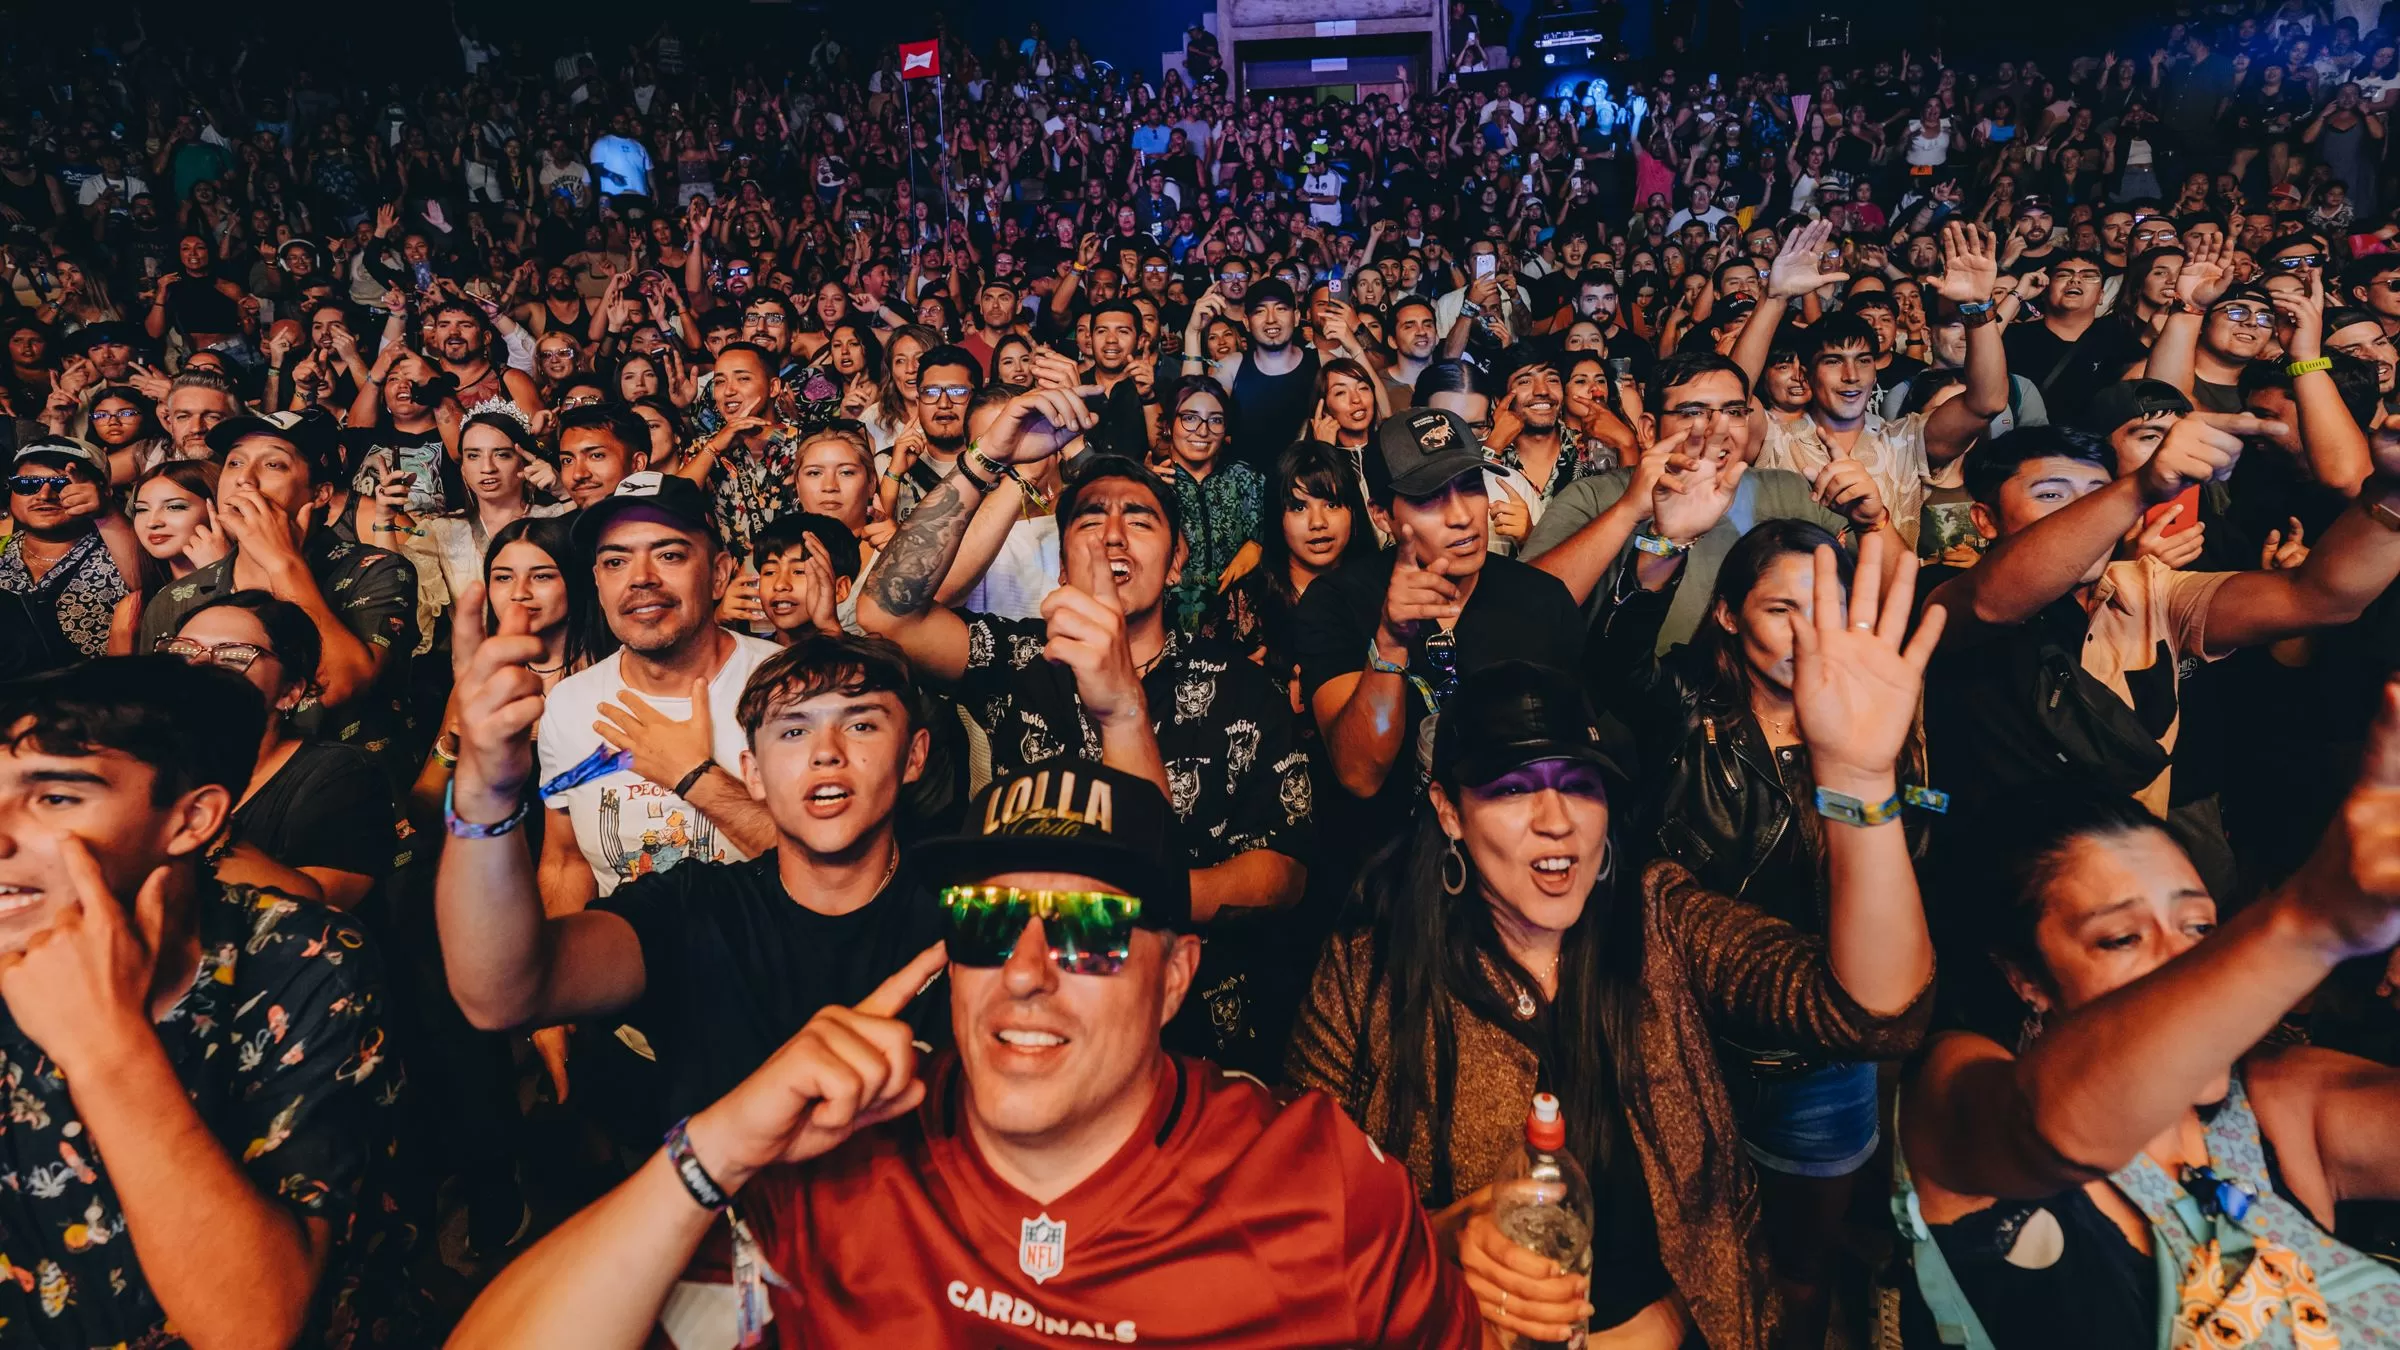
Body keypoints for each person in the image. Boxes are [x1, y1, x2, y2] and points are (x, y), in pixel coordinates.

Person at [448, 760, 1480, 1347]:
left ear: (1174, 978)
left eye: (1087, 928)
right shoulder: (841, 1165)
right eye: (988, 923)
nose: (1026, 970)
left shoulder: (1318, 1190)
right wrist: (710, 1155)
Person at [1289, 562, 1942, 1349]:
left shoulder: (1659, 917)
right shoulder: (1369, 970)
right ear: (1449, 813)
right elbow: (1303, 1219)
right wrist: (1438, 1237)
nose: (1556, 819)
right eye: (1511, 787)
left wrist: (1862, 784)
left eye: (1580, 783)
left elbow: (1874, 1016)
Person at [1891, 734, 2400, 1347]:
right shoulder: (1961, 1093)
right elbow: (2053, 1128)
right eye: (2122, 938)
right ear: (2023, 977)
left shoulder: (2284, 1104)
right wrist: (2311, 920)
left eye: (2200, 927)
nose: (2185, 962)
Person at [858, 386, 1313, 1070]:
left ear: (1179, 559)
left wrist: (1102, 909)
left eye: (1141, 519)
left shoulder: (1242, 686)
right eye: (1089, 519)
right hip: (1028, 1006)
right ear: (1063, 562)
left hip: (1192, 1035)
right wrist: (992, 460)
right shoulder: (1019, 658)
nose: (1113, 535)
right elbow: (887, 616)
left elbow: (1283, 876)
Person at [0, 657, 411, 1346]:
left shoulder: (300, 956)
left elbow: (256, 1327)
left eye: (55, 798)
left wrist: (108, 1047)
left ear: (193, 819)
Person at [1293, 407, 1588, 833]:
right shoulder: (1337, 601)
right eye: (1428, 497)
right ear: (1382, 516)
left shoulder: (1541, 598)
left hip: (1515, 848)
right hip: (1391, 864)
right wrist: (1391, 644)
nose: (1461, 515)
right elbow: (1359, 775)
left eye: (1470, 487)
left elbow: (1574, 754)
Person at [134, 409, 420, 786]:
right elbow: (152, 720)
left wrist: (283, 564)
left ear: (319, 494)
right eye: (234, 462)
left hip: (346, 798)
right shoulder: (178, 598)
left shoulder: (374, 571)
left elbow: (342, 688)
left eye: (273, 464)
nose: (244, 479)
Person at [169, 591, 397, 912]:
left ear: (289, 691)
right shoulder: (144, 763)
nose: (200, 667)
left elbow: (321, 908)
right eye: (182, 653)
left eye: (234, 656)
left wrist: (202, 822)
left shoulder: (341, 774)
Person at [2, 433, 135, 667]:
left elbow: (148, 584)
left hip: (88, 698)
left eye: (62, 484)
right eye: (26, 484)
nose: (44, 495)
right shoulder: (2, 549)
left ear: (104, 490)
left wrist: (107, 514)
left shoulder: (121, 549)